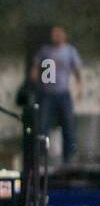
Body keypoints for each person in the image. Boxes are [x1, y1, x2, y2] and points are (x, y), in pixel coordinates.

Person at [32, 25, 84, 163]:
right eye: (54, 34)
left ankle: (70, 156)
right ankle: (41, 156)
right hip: (47, 94)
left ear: (64, 35)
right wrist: (35, 78)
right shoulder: (45, 50)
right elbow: (36, 66)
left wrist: (79, 87)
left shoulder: (70, 51)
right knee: (43, 125)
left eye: (58, 34)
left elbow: (77, 69)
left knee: (68, 125)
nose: (56, 36)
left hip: (63, 93)